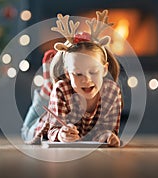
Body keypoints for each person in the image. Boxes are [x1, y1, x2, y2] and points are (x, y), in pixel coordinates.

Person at [24, 10, 123, 147]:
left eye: (93, 72)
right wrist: (61, 134)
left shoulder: (112, 91)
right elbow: (53, 130)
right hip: (42, 122)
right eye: (78, 73)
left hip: (66, 100)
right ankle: (47, 89)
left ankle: (49, 85)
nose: (86, 79)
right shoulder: (62, 88)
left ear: (104, 69)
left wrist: (107, 135)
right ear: (67, 73)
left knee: (55, 91)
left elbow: (107, 129)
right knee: (27, 131)